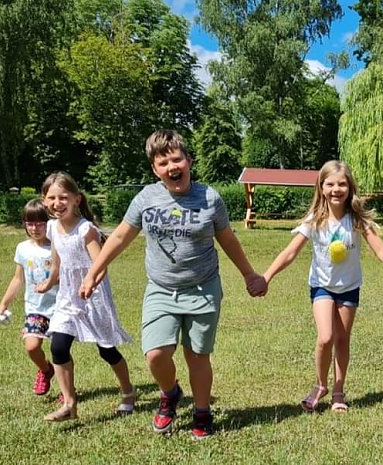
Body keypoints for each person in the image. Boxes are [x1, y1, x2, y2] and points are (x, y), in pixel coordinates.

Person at [80, 130, 268, 440]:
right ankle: (170, 393)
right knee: (155, 353)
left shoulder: (209, 197)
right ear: (155, 169)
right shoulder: (146, 198)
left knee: (197, 355)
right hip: (161, 288)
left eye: (177, 159)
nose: (171, 167)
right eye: (163, 162)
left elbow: (227, 239)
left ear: (189, 161)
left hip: (203, 287)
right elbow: (120, 236)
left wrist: (249, 274)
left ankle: (202, 412)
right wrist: (94, 271)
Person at [263, 160, 383, 413]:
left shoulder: (357, 220)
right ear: (321, 187)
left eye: (342, 184)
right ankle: (321, 385)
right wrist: (266, 277)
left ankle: (338, 391)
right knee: (326, 337)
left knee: (342, 340)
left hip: (349, 286)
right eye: (330, 184)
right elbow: (291, 252)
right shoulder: (314, 220)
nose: (336, 189)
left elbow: (380, 248)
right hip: (322, 286)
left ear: (350, 187)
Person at [35, 172, 135, 422]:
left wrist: (90, 283)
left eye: (63, 197)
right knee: (58, 346)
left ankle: (128, 392)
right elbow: (58, 260)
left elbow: (100, 263)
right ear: (44, 201)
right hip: (68, 297)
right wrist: (49, 281)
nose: (57, 203)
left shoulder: (86, 230)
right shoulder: (51, 228)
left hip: (94, 296)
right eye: (52, 198)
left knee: (107, 351)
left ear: (77, 199)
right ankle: (69, 403)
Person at [0, 199, 59, 396]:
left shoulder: (57, 247)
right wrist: (3, 305)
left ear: (49, 223)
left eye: (40, 223)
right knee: (31, 347)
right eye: (30, 223)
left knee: (59, 350)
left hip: (59, 307)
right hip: (35, 307)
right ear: (24, 224)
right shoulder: (22, 248)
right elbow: (17, 279)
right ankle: (46, 370)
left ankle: (67, 391)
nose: (35, 228)